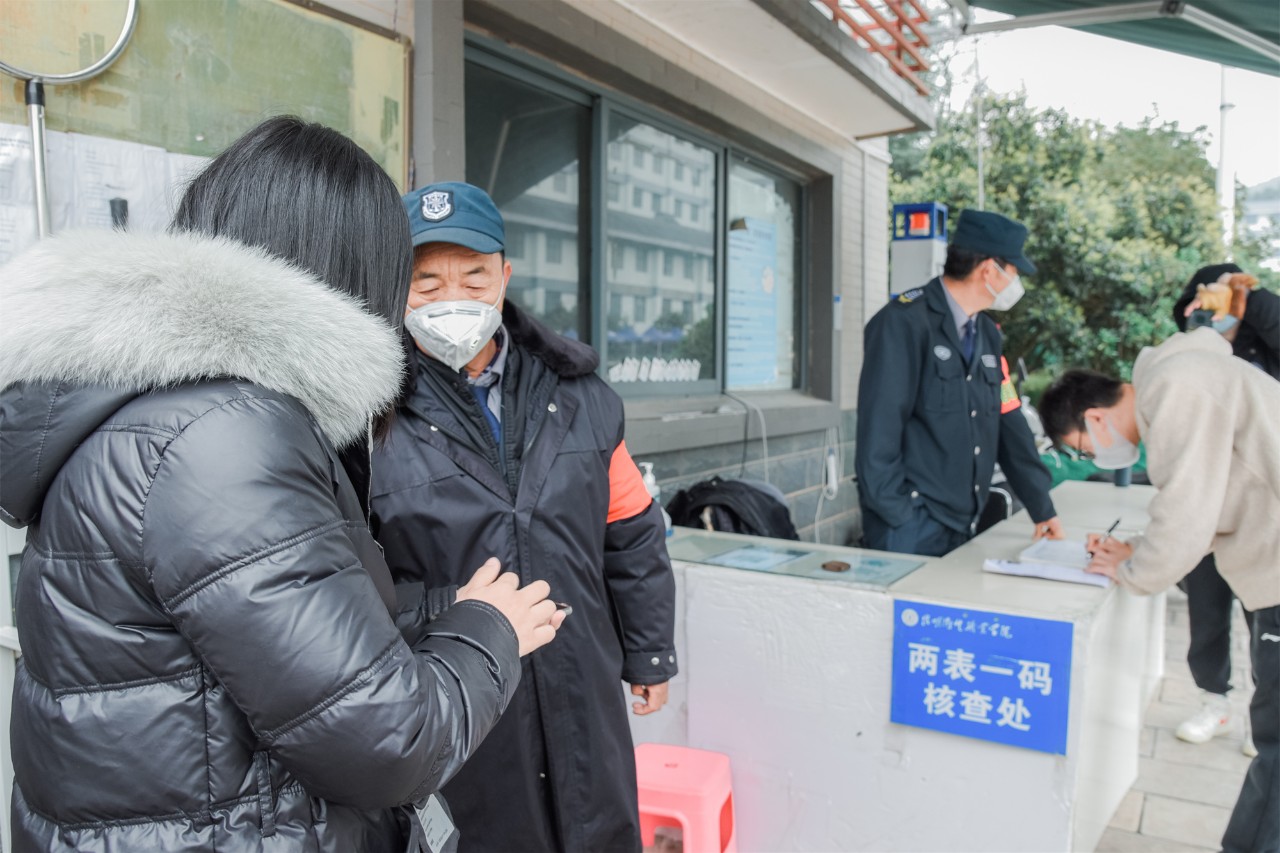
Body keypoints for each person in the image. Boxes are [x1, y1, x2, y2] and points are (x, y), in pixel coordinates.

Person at [0, 118, 565, 852]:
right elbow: (388, 740)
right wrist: (490, 630)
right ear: (354, 272)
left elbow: (262, 628)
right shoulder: (224, 435)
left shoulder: (165, 409)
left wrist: (444, 610)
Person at [370, 181, 678, 852]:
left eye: (474, 276)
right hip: (459, 696)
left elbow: (632, 533)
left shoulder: (583, 396)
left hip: (581, 680)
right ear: (397, 288)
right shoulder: (367, 417)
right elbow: (353, 585)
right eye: (427, 283)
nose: (452, 298)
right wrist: (449, 612)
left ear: (505, 276)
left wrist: (649, 652)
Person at [1038, 329, 1280, 853]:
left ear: (1095, 418)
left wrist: (1132, 570)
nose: (1093, 457)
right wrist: (1136, 548)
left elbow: (1187, 514)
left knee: (1277, 745)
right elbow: (1210, 500)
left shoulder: (1174, 389)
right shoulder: (1179, 378)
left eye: (1083, 448)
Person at [855, 209, 1063, 556]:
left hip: (964, 520)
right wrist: (899, 515)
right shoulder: (903, 323)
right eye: (1013, 272)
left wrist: (1042, 507)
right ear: (988, 270)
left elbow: (1007, 418)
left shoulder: (987, 335)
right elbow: (879, 429)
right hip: (911, 524)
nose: (1015, 283)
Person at [1168, 263, 1278, 753]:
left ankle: (1264, 711)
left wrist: (1246, 297)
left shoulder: (1266, 349)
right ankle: (1213, 701)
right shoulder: (1192, 352)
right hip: (1206, 508)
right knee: (1206, 611)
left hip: (1262, 517)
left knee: (1264, 618)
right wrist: (1201, 314)